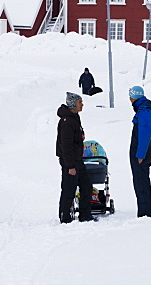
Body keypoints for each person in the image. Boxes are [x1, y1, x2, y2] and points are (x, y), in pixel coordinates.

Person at [56, 91, 94, 223]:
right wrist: (70, 166)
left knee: (86, 186)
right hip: (70, 161)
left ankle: (85, 215)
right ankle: (65, 217)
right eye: (80, 102)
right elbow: (66, 146)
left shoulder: (74, 117)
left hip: (77, 159)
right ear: (73, 104)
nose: (82, 105)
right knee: (69, 189)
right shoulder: (67, 122)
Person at [129, 85, 151, 217]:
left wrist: (140, 155)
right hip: (139, 154)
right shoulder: (143, 109)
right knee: (140, 182)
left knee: (141, 183)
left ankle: (144, 213)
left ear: (133, 97)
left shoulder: (144, 111)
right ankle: (143, 211)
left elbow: (145, 134)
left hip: (140, 155)